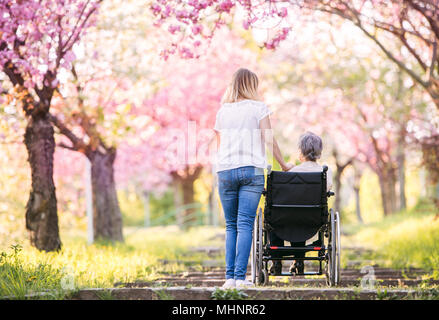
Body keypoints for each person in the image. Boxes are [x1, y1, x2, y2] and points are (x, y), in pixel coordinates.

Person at [214, 68, 293, 289]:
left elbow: (220, 146)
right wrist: (284, 164)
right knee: (244, 224)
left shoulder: (223, 111)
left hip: (226, 170)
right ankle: (240, 278)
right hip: (252, 171)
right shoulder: (259, 108)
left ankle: (229, 279)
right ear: (251, 85)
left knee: (231, 226)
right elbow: (269, 139)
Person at [269, 131, 333, 276]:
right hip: (312, 219)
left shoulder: (291, 172)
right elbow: (328, 187)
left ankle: (276, 261)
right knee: (301, 218)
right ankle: (299, 261)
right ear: (319, 152)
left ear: (300, 152)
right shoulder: (325, 173)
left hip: (285, 220)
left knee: (279, 217)